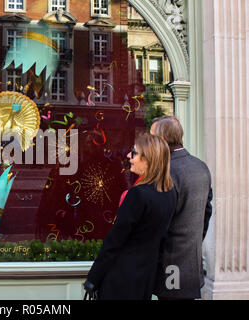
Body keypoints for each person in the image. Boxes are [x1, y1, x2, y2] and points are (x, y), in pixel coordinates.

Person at [84, 133, 176, 300]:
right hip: (144, 280)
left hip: (121, 280)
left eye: (134, 153)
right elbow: (161, 240)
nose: (128, 156)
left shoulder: (138, 194)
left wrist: (93, 278)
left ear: (147, 159)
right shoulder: (169, 193)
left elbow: (115, 240)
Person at [150, 116, 213, 300]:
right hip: (191, 265)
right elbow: (206, 215)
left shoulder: (166, 171)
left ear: (162, 138)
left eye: (153, 136)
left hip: (170, 267)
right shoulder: (201, 167)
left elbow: (159, 223)